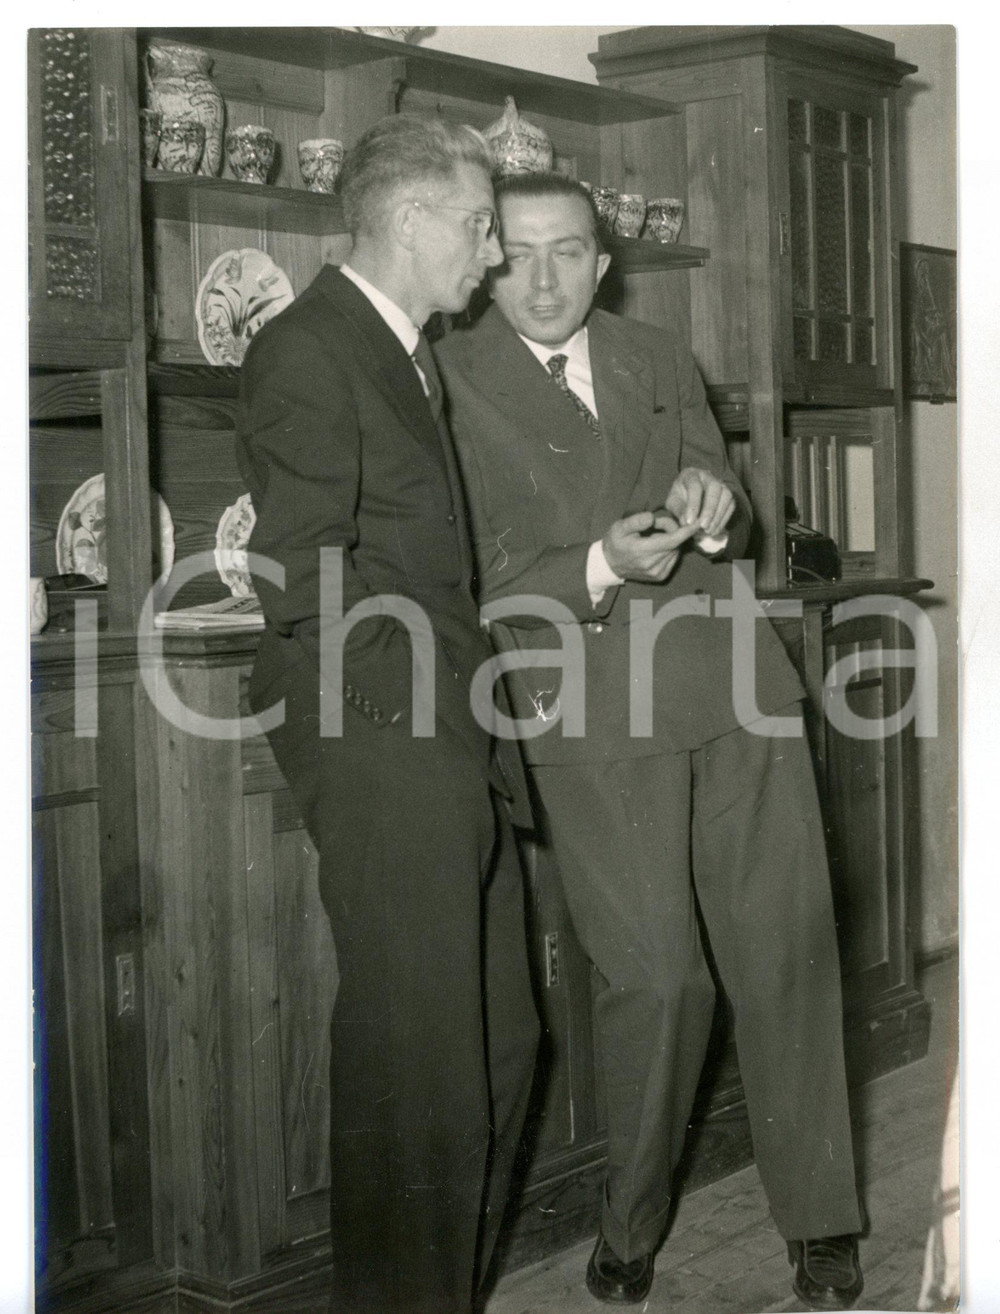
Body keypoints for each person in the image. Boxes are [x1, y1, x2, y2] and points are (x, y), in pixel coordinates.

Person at [435, 172, 864, 1310]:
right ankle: (629, 1225)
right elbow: (457, 582)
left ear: (603, 258)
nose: (542, 278)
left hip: (735, 690)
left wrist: (715, 496)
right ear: (485, 261)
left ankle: (821, 1222)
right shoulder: (442, 380)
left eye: (568, 251)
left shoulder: (654, 353)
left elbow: (726, 489)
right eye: (518, 253)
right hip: (587, 713)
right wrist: (594, 568)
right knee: (659, 984)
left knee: (786, 956)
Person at [235, 115, 539, 1314]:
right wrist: (409, 728)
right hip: (387, 736)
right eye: (476, 226)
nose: (491, 255)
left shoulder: (399, 347)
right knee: (423, 1080)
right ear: (411, 220)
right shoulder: (313, 347)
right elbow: (299, 572)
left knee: (501, 1045)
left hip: (442, 732)